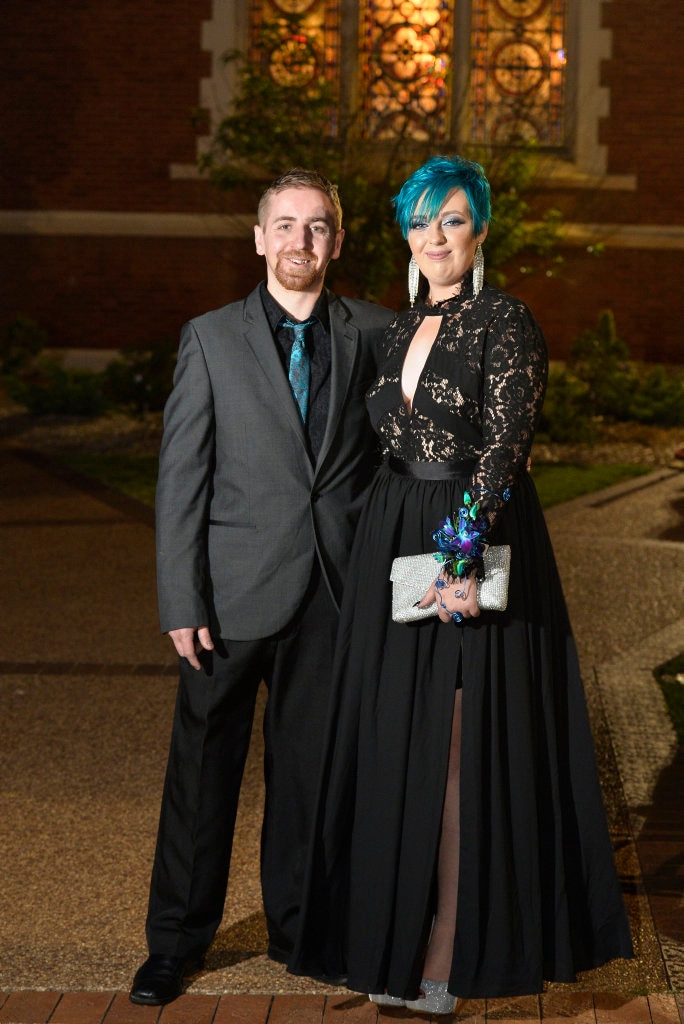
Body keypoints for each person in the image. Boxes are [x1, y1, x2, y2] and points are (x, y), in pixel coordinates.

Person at [288, 156, 633, 1014]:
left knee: (453, 749)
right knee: (390, 748)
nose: (432, 235)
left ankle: (446, 952)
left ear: (479, 231)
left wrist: (455, 557)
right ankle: (391, 949)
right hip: (390, 543)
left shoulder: (505, 322)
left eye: (449, 219)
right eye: (418, 221)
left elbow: (505, 450)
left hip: (465, 538)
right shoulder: (394, 330)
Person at [129, 168, 393, 1006]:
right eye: (284, 226)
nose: (299, 242)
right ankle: (175, 943)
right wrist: (181, 601)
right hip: (229, 599)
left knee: (312, 777)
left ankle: (300, 928)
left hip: (333, 593)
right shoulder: (209, 338)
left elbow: (400, 467)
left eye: (316, 228)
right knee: (202, 776)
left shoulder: (379, 334)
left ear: (338, 241)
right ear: (257, 237)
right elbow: (182, 481)